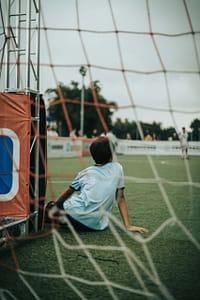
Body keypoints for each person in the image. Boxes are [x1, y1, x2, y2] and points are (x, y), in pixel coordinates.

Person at [47, 137, 147, 233]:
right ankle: (61, 218)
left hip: (76, 216)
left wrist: (56, 205)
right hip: (97, 225)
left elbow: (67, 193)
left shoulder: (84, 173)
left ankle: (50, 215)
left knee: (53, 205)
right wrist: (128, 226)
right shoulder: (118, 168)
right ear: (111, 155)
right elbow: (120, 198)